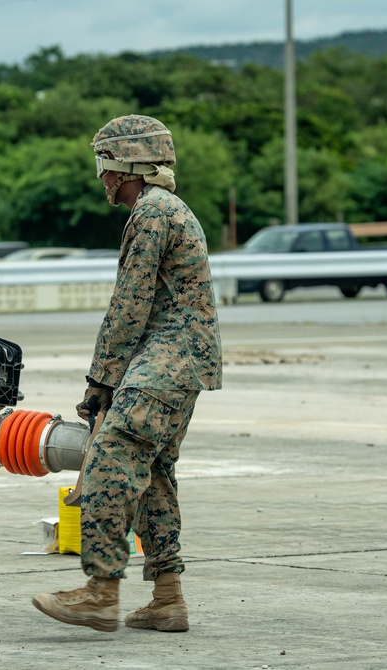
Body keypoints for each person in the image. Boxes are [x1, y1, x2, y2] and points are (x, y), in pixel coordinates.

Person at [32, 115, 223, 633]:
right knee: (154, 477)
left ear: (127, 166)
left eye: (104, 164)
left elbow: (129, 304)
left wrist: (99, 383)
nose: (101, 178)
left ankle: (100, 591)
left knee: (110, 464)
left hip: (164, 360)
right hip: (180, 363)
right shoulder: (168, 209)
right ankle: (167, 597)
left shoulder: (152, 212)